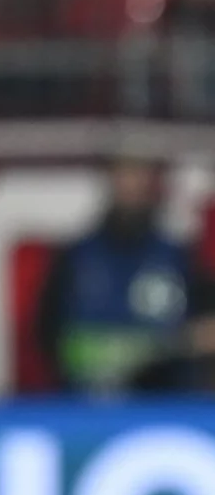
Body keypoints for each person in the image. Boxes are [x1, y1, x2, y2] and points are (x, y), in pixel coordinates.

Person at [35, 155, 215, 395]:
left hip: (166, 403)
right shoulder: (75, 259)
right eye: (125, 173)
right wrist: (158, 345)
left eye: (141, 174)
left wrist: (186, 342)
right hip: (88, 402)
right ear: (110, 178)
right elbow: (52, 339)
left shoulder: (182, 260)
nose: (133, 184)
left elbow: (206, 331)